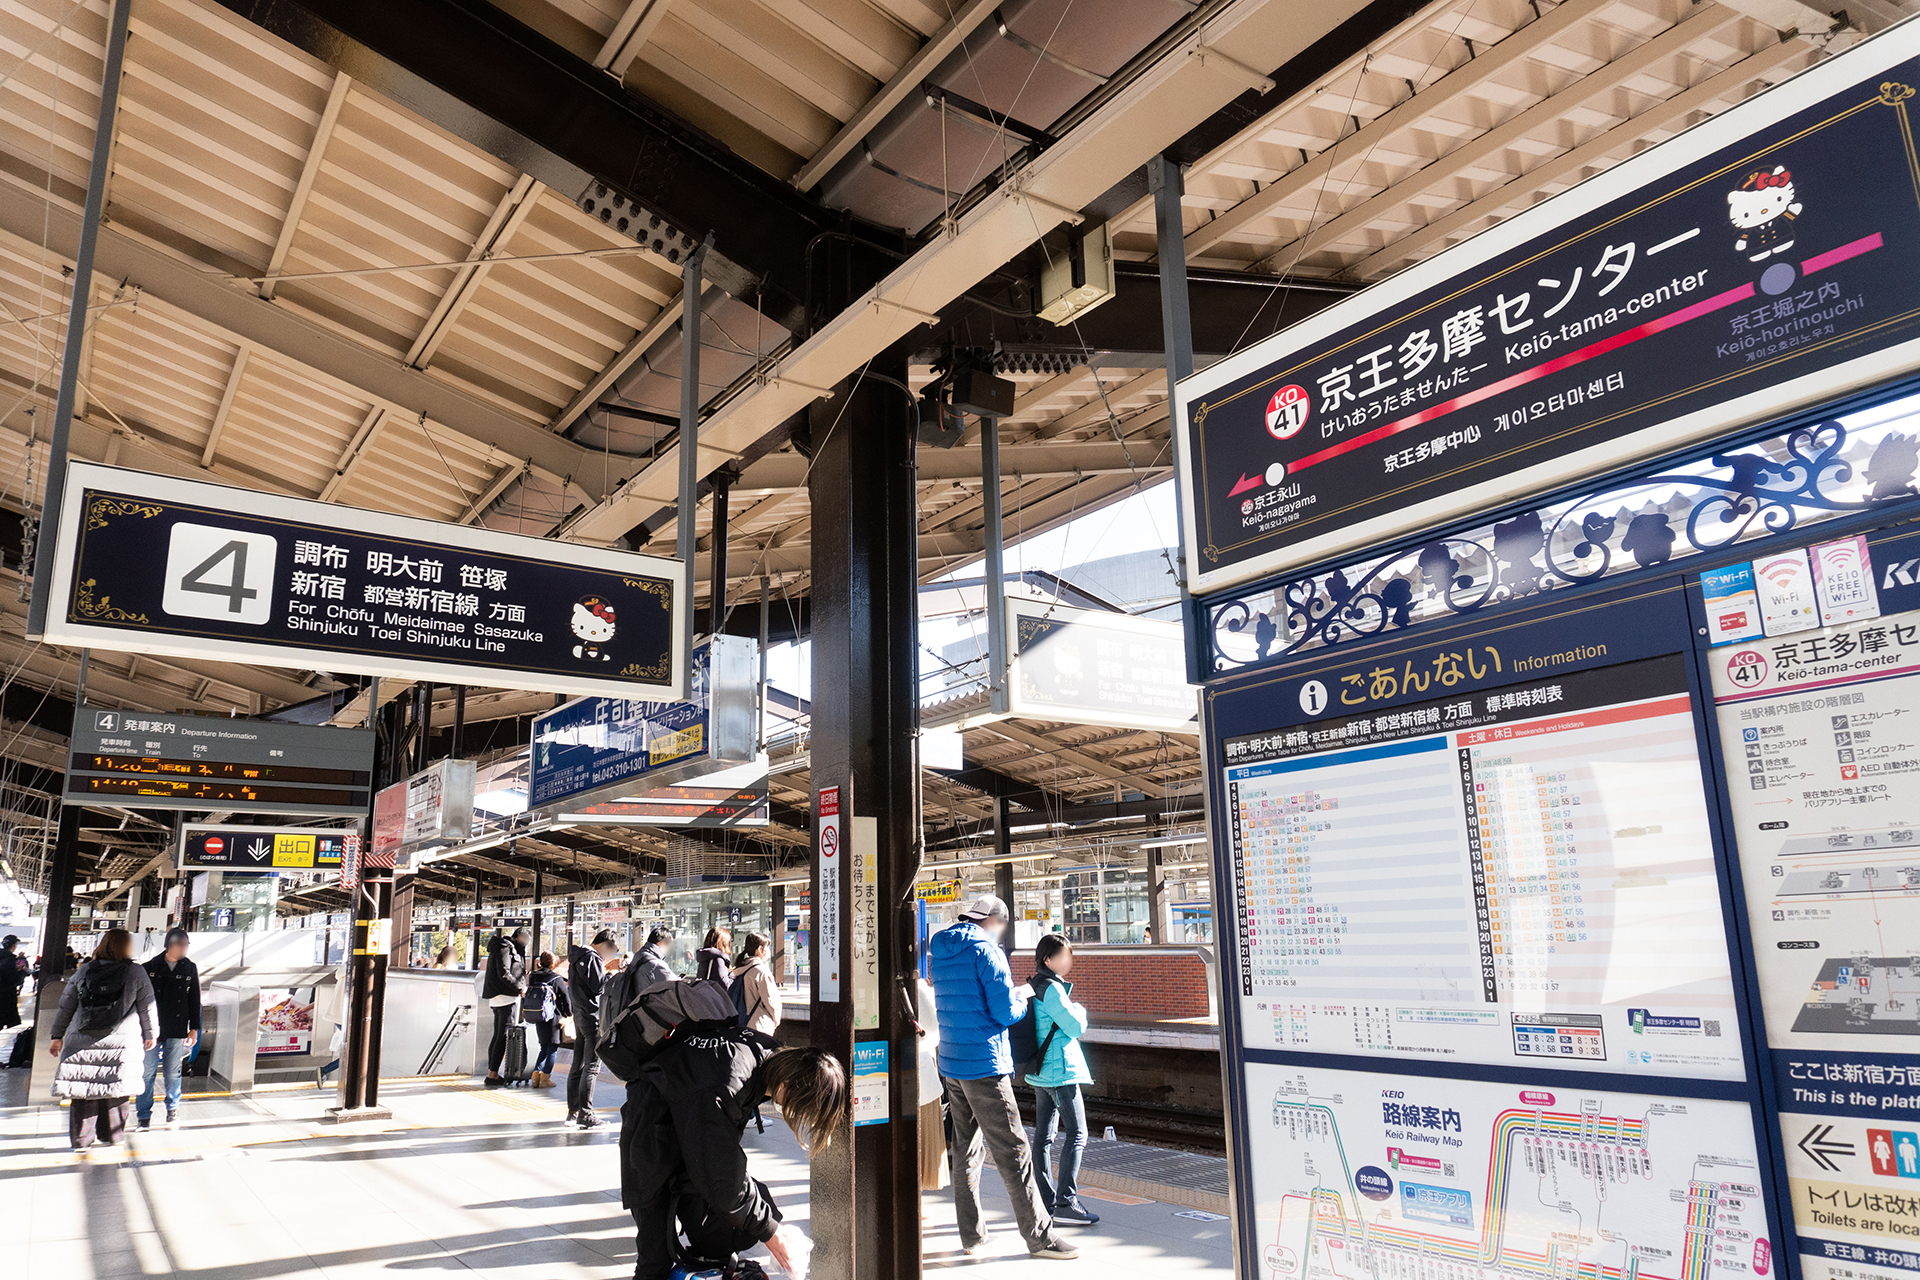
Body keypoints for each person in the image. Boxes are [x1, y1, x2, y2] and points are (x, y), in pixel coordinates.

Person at [622, 1028, 845, 1280]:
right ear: (787, 1085)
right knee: (654, 1259)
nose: (799, 1115)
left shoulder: (766, 1054)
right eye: (801, 1107)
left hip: (680, 1136)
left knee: (745, 1217)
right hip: (649, 1140)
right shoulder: (729, 1084)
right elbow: (721, 1175)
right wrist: (771, 1233)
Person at [929, 894, 1078, 1260]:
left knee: (965, 1150)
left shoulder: (941, 950)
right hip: (984, 1064)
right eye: (1001, 925)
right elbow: (1004, 1013)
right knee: (1014, 1150)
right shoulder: (987, 951)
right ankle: (1040, 1237)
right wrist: (1023, 998)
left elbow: (965, 1001)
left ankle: (973, 1235)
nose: (1001, 932)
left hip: (952, 1061)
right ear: (992, 920)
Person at [50, 929, 157, 1155]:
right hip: (121, 1041)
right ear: (126, 946)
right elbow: (148, 1006)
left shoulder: (85, 971)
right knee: (116, 1088)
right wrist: (151, 1034)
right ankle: (112, 1135)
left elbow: (66, 1005)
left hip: (83, 1039)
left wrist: (57, 1036)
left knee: (83, 1089)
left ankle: (82, 1140)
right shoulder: (136, 972)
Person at [1027, 934, 1098, 1226]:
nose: (1069, 960)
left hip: (1043, 1071)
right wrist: (1079, 1008)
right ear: (1048, 959)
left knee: (1044, 1137)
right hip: (1060, 1070)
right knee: (1078, 1133)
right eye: (1064, 955)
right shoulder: (1053, 990)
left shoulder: (1035, 985)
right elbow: (1075, 1025)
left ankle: (1046, 1200)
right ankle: (1066, 1202)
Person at [136, 928, 201, 1130]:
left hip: (177, 1027)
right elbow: (140, 1001)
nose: (183, 949)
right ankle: (143, 1116)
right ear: (169, 945)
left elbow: (194, 999)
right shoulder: (149, 968)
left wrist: (195, 1028)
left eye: (186, 945)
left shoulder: (189, 968)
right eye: (180, 944)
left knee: (173, 1073)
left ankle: (172, 1111)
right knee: (148, 1072)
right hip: (152, 1029)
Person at [566, 929, 620, 1128]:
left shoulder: (577, 956)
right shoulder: (593, 959)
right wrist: (611, 975)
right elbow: (598, 987)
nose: (610, 955)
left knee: (577, 1065)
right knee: (591, 1067)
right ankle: (586, 1114)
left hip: (580, 1016)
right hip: (593, 1017)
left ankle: (573, 1111)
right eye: (612, 950)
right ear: (606, 945)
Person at [481, 927, 530, 1088]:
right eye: (525, 939)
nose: (526, 942)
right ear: (518, 937)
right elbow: (504, 972)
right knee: (502, 1036)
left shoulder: (504, 947)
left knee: (498, 1035)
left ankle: (492, 1073)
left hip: (500, 997)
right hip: (505, 997)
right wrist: (520, 987)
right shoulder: (506, 948)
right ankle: (492, 1074)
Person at [524, 950, 571, 1089]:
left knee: (544, 1046)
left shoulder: (533, 977)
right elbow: (565, 998)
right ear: (553, 963)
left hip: (538, 1015)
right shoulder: (556, 979)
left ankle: (535, 1077)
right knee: (552, 1048)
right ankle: (545, 1079)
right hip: (553, 1017)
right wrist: (568, 1014)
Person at [729, 933, 781, 1035]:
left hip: (742, 1024)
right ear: (760, 949)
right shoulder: (761, 972)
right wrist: (776, 1021)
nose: (769, 951)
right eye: (767, 947)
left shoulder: (740, 969)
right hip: (760, 1026)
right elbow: (772, 1002)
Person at [0, 935, 23, 1029]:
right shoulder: (9, 959)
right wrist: (22, 972)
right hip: (5, 997)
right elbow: (13, 980)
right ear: (14, 945)